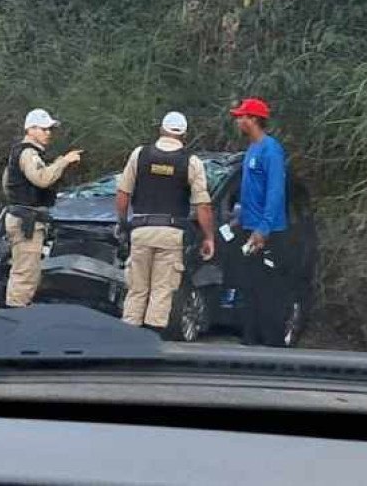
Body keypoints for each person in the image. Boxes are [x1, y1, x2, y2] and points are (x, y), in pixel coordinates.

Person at [114, 111, 215, 334]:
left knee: (137, 289)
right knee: (162, 291)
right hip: (171, 234)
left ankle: (128, 339)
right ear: (184, 135)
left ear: (161, 129)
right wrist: (208, 237)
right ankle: (151, 340)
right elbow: (203, 206)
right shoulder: (191, 162)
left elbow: (122, 194)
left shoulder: (139, 154)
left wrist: (123, 224)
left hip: (141, 229)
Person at [1, 107, 82, 307]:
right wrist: (64, 161)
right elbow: (42, 179)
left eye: (50, 130)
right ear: (31, 129)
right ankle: (16, 319)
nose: (49, 134)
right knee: (25, 275)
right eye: (44, 129)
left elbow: (6, 184)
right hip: (27, 221)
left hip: (21, 217)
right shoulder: (29, 154)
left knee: (24, 271)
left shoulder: (20, 152)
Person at [229, 96, 292, 346]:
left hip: (268, 233)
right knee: (250, 288)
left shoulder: (271, 149)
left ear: (253, 119)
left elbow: (275, 192)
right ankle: (251, 341)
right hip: (248, 228)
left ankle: (273, 345)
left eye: (242, 117)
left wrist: (263, 228)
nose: (238, 121)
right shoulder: (251, 150)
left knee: (269, 290)